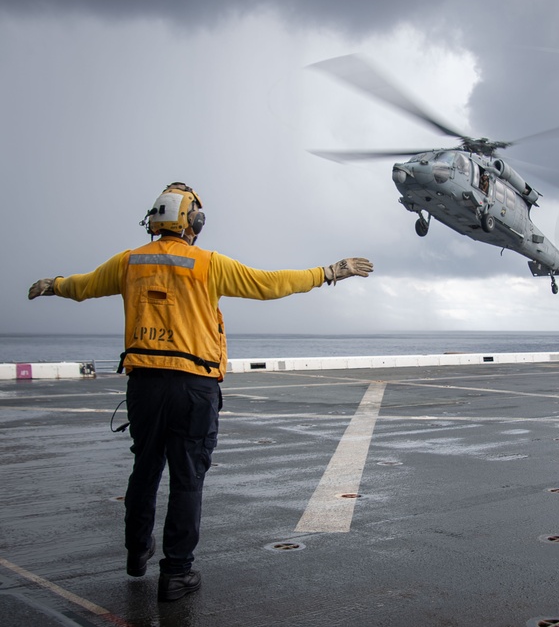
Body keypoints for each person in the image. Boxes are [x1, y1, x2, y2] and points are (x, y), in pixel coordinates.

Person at [27, 182, 374, 602]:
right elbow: (270, 283)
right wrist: (329, 273)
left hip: (145, 387)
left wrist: (54, 284)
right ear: (194, 222)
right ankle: (176, 574)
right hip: (194, 387)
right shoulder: (208, 264)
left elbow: (83, 286)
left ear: (155, 220)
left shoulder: (129, 262)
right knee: (187, 479)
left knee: (146, 468)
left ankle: (136, 552)